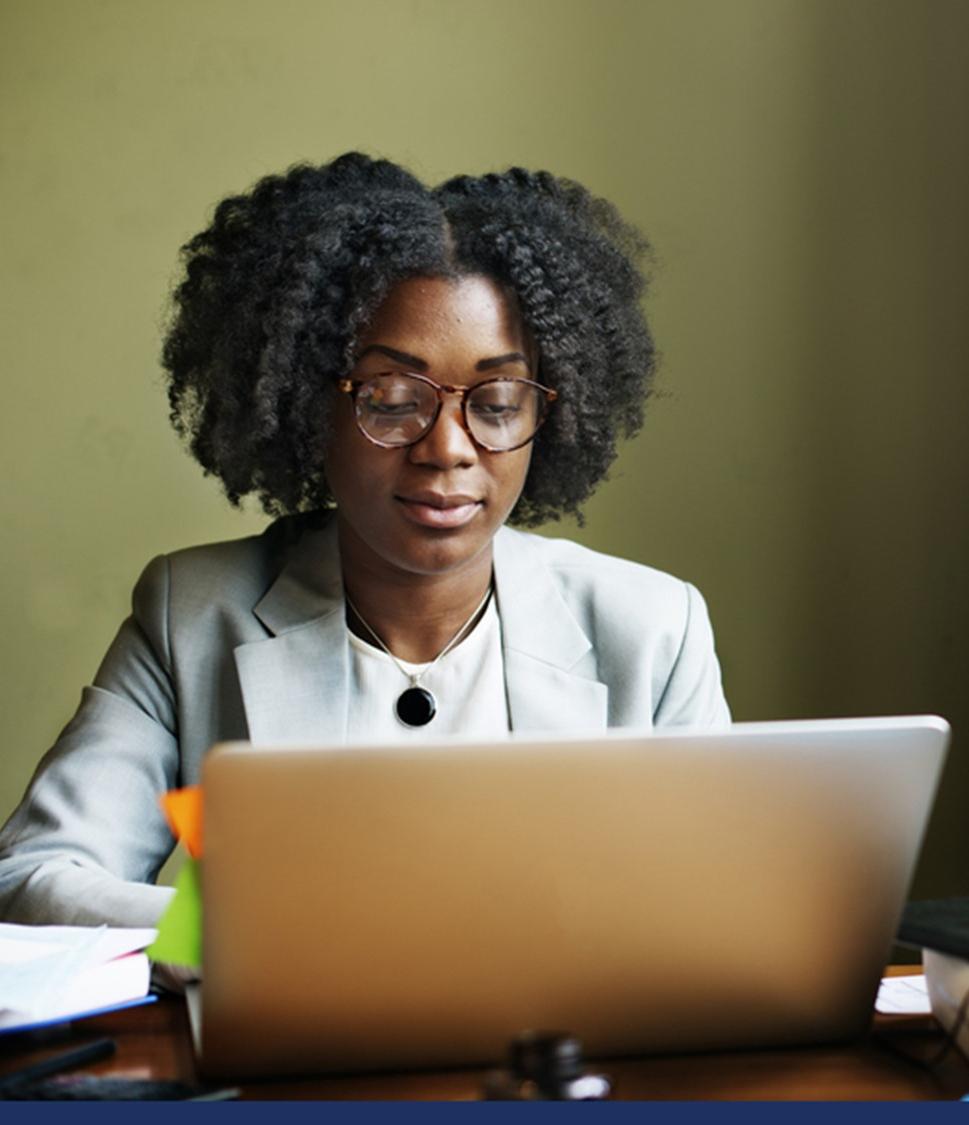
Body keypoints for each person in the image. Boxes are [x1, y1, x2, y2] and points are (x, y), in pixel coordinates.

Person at [0, 153, 730, 932]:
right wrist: (273, 934)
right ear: (307, 403)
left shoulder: (652, 626)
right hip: (300, 1047)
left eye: (499, 400)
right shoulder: (193, 615)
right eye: (390, 398)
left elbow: (721, 897)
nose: (448, 447)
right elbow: (35, 877)